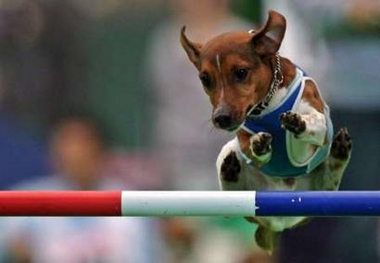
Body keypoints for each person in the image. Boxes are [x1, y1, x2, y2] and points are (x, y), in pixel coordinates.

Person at [0, 113, 163, 263]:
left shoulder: (133, 204)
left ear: (101, 150)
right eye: (66, 142)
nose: (75, 152)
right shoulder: (22, 202)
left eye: (83, 142)